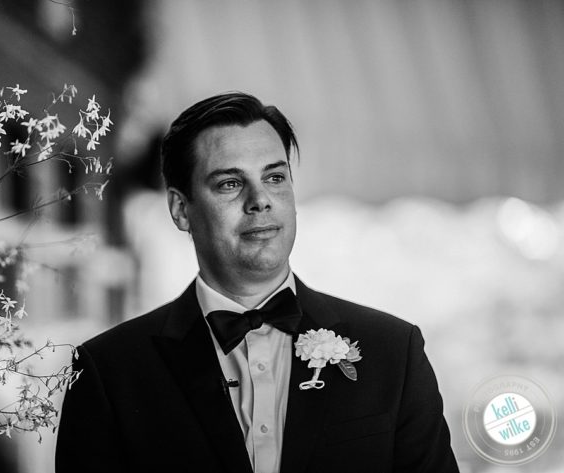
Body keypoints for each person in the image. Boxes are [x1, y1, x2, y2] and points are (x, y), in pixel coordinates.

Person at [55, 93, 459, 472]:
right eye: (230, 183)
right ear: (181, 209)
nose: (260, 199)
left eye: (275, 178)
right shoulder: (107, 373)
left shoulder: (394, 352)